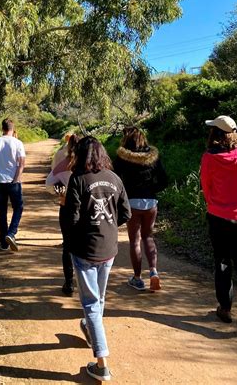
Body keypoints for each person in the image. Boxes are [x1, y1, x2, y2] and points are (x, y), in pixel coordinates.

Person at [63, 136, 131, 382]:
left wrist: (73, 239)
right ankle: (91, 328)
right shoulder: (115, 179)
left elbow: (71, 218)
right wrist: (108, 226)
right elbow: (125, 213)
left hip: (84, 250)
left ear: (79, 154)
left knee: (91, 304)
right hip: (108, 250)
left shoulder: (78, 179)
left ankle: (102, 364)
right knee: (98, 299)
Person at [200, 115, 237, 331]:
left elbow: (206, 185)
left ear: (216, 134)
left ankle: (225, 308)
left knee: (222, 260)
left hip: (218, 216)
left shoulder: (209, 158)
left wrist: (216, 202)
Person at [113, 126, 168, 291]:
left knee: (135, 241)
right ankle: (154, 272)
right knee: (148, 237)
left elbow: (114, 178)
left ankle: (137, 278)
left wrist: (121, 196)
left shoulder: (122, 157)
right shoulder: (153, 157)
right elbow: (164, 180)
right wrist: (151, 191)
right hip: (151, 202)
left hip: (132, 203)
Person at [45, 133, 79, 295]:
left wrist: (60, 191)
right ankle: (86, 281)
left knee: (67, 246)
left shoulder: (64, 160)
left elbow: (49, 183)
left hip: (67, 206)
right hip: (87, 209)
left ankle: (69, 283)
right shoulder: (91, 164)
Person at [0, 118, 26, 252]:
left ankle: (3, 244)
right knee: (18, 207)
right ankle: (11, 233)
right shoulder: (18, 143)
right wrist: (16, 179)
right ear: (12, 128)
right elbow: (21, 164)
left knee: (2, 211)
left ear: (2, 128)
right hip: (13, 182)